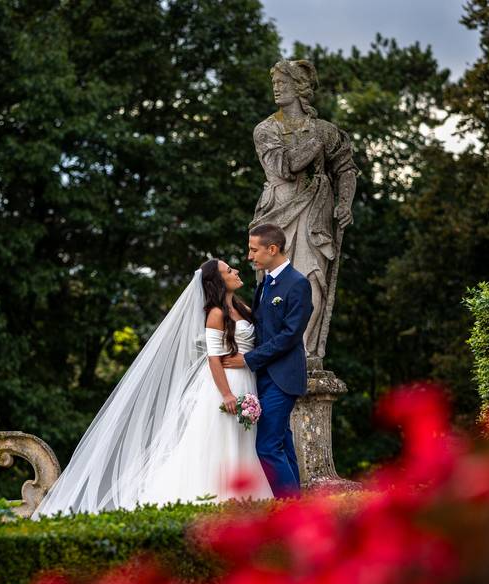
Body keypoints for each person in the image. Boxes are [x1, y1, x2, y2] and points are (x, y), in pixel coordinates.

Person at [33, 259, 272, 517]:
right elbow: (213, 358)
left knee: (243, 441)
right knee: (223, 442)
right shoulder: (216, 314)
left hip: (246, 379)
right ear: (218, 281)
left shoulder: (242, 307)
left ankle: (247, 499)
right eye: (229, 270)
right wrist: (226, 394)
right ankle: (221, 499)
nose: (236, 272)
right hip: (224, 385)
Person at [251, 59, 357, 359]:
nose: (276, 87)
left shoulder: (325, 130)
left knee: (312, 279)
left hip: (315, 213)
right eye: (274, 83)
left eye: (282, 83)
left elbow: (346, 168)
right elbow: (284, 167)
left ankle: (305, 352)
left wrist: (344, 204)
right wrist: (314, 145)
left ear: (299, 88)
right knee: (276, 282)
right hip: (278, 210)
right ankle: (276, 349)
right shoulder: (266, 130)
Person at [221, 224, 313, 497]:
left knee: (267, 447)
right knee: (283, 442)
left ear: (272, 249)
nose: (249, 256)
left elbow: (289, 336)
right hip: (263, 377)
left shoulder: (298, 284)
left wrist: (249, 359)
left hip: (283, 377)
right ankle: (298, 506)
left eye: (253, 250)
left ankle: (288, 509)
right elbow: (260, 326)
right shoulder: (264, 284)